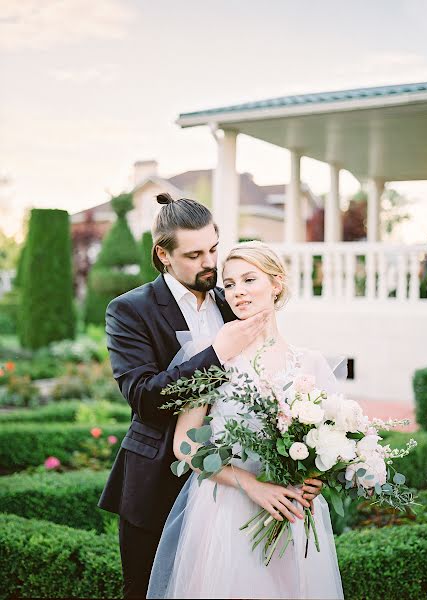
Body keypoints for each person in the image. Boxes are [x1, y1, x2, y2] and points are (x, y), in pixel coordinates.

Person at [98, 194, 281, 599]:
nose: (210, 263)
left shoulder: (230, 299)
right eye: (194, 254)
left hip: (228, 488)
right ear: (163, 255)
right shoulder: (130, 310)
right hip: (156, 484)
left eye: (214, 248)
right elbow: (144, 397)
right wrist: (217, 354)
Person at [147, 241, 344, 600]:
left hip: (291, 509)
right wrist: (250, 484)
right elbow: (185, 446)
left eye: (249, 280)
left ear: (276, 283)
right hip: (226, 510)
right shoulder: (211, 357)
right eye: (230, 283)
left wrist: (316, 478)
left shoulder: (310, 363)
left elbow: (334, 440)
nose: (237, 292)